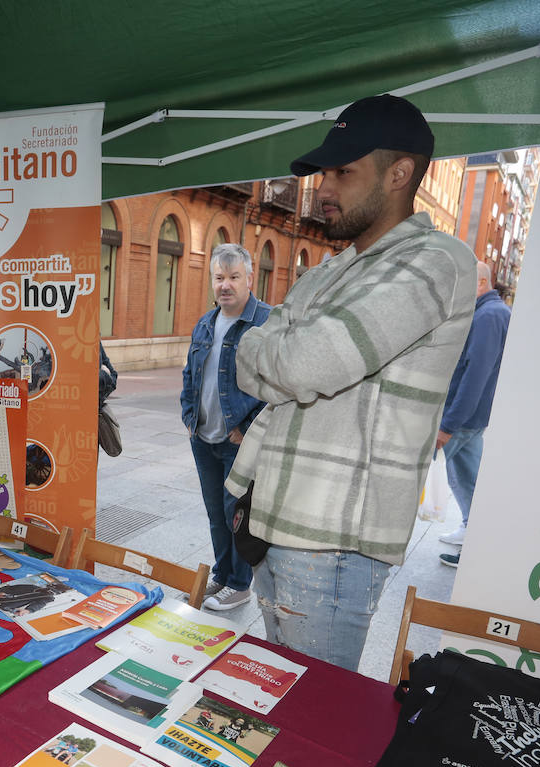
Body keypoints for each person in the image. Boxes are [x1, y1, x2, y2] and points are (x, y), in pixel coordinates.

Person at [224, 95, 477, 672]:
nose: (323, 188)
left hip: (335, 542)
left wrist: (276, 349)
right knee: (280, 698)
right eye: (324, 172)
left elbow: (305, 363)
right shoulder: (334, 268)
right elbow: (251, 357)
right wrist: (275, 350)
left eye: (343, 171)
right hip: (275, 516)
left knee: (316, 722)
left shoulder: (437, 261)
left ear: (400, 173)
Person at [181, 243, 272, 613]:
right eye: (219, 278)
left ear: (249, 278)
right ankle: (222, 573)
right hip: (204, 437)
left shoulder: (266, 322)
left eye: (234, 277)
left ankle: (239, 584)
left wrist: (247, 427)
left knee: (237, 513)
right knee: (215, 511)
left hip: (240, 440)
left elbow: (277, 385)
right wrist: (190, 417)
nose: (226, 285)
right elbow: (190, 374)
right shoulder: (206, 322)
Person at [436, 262, 512, 568]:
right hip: (472, 416)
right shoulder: (494, 312)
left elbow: (475, 374)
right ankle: (475, 535)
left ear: (480, 283)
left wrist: (448, 425)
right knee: (468, 480)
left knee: (414, 477)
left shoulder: (489, 316)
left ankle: (478, 547)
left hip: (463, 417)